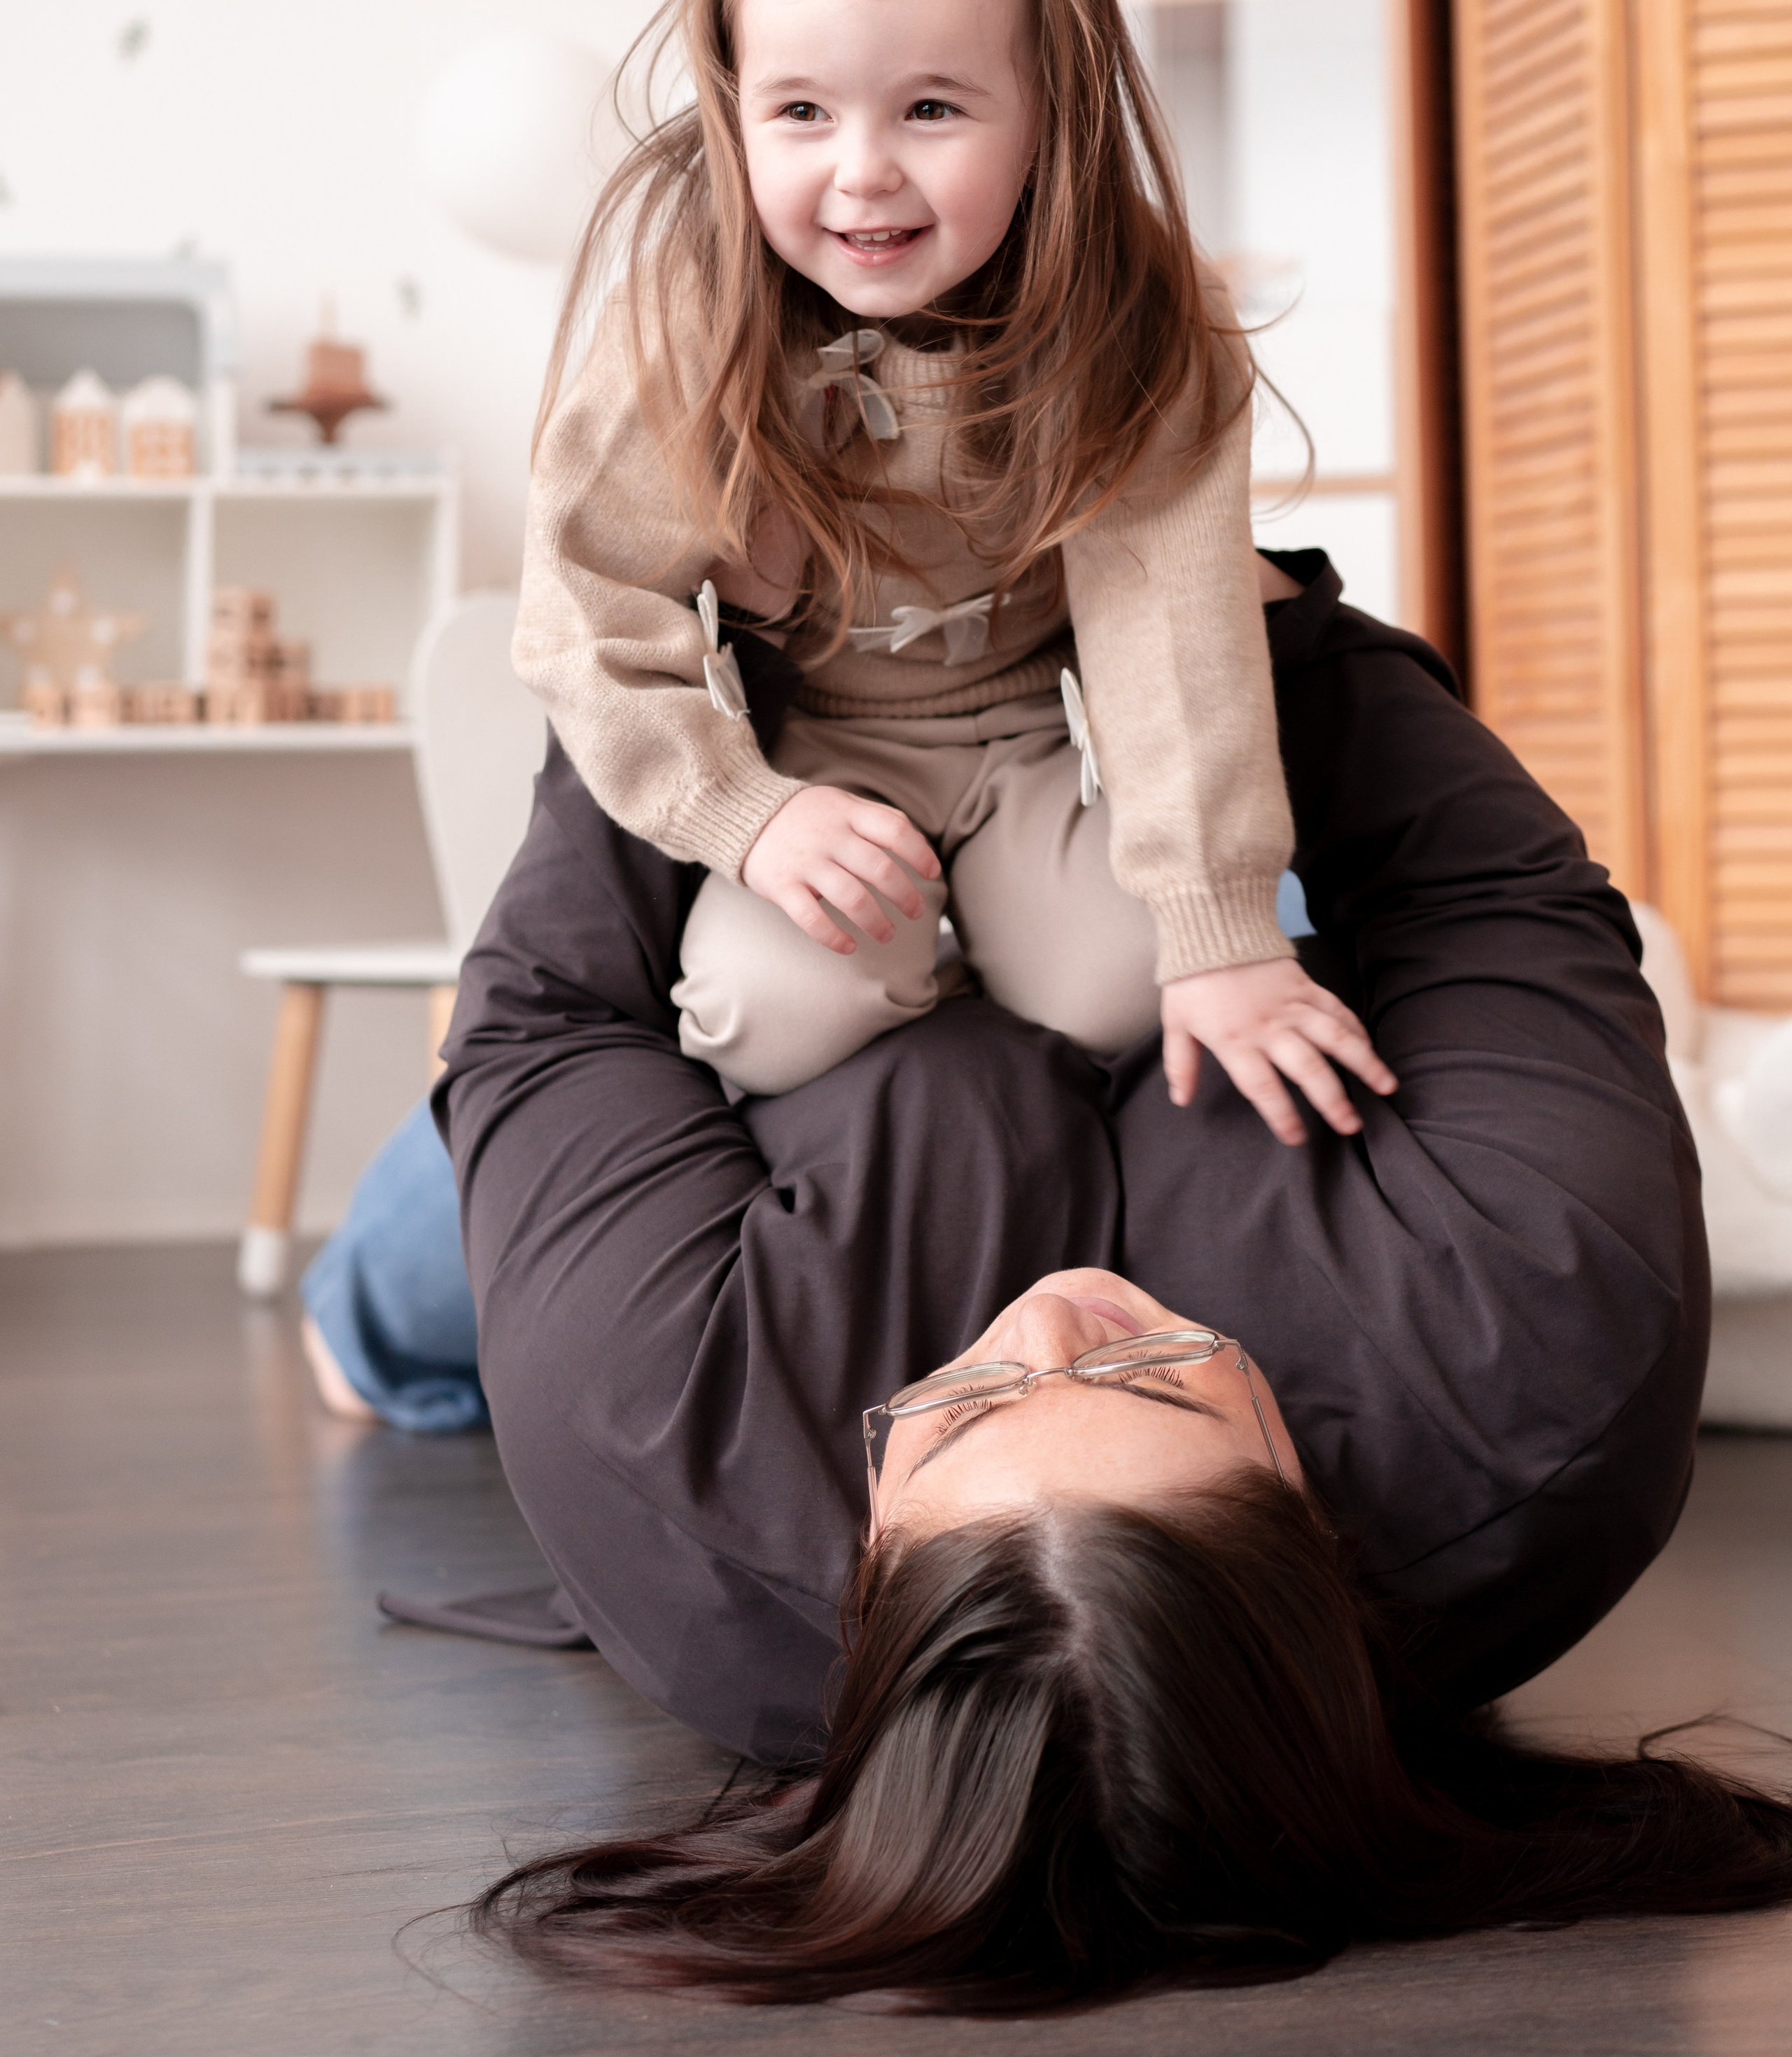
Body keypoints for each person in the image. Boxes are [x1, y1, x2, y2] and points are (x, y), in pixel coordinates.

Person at [430, 551, 1792, 2007]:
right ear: (1307, 1500)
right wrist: (1229, 598)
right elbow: (1486, 899)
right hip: (1133, 910)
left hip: (736, 1073)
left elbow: (549, 1014)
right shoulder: (1536, 1347)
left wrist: (738, 637)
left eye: (959, 1406)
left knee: (408, 1296)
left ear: (868, 1550)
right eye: (1154, 1369)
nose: (1051, 1307)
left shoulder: (651, 1424)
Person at [513, 0, 1391, 1146]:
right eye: (800, 113)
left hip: (1035, 733)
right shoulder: (690, 308)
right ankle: (913, 973)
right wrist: (750, 814)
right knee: (768, 1015)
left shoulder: (1134, 316)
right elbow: (585, 600)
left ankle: (989, 942)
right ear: (734, 111)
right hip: (816, 742)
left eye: (931, 108)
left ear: (1050, 110)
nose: (863, 170)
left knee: (1117, 996)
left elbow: (1172, 629)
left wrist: (1219, 928)